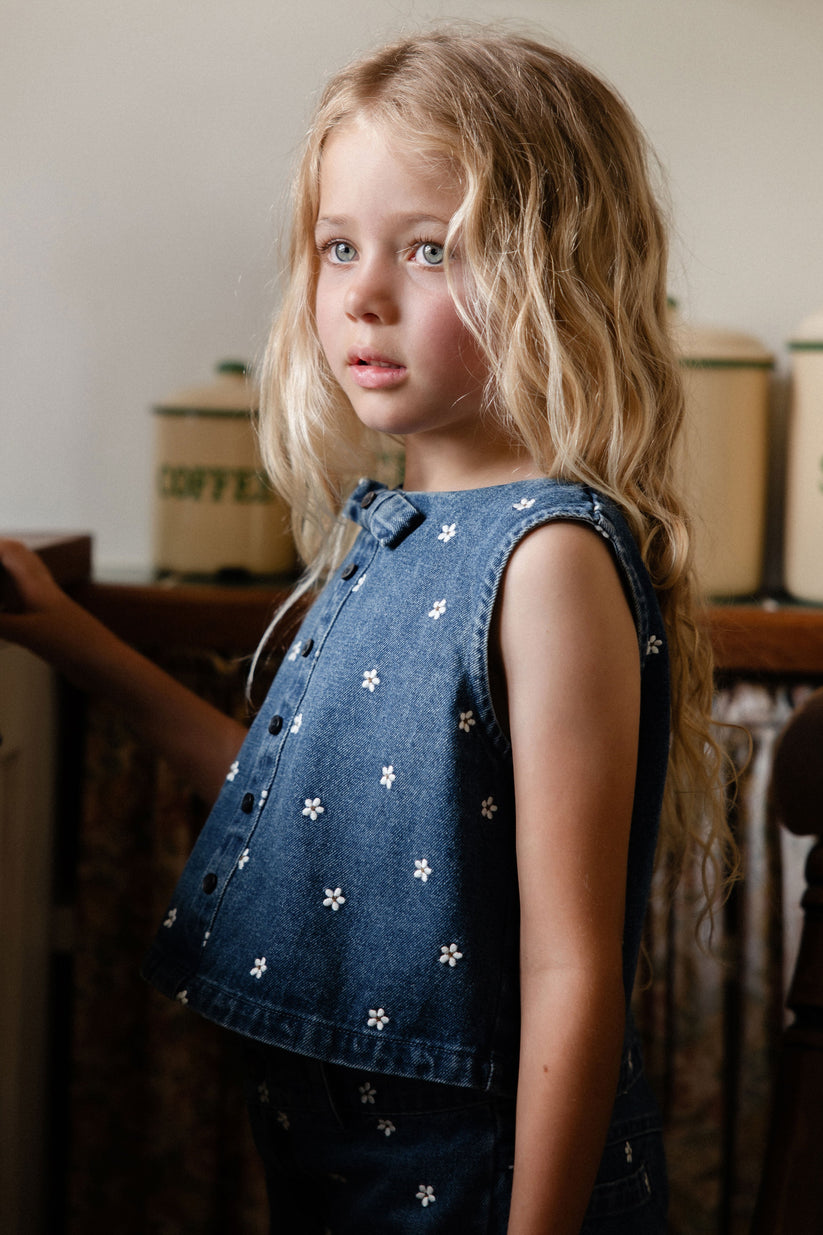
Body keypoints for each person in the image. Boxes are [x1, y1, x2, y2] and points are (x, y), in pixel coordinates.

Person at [0, 26, 736, 1234]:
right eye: (339, 245)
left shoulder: (544, 559)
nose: (363, 292)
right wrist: (70, 639)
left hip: (486, 1181)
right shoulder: (395, 531)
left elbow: (571, 968)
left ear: (555, 273)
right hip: (348, 1170)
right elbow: (292, 803)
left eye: (429, 249)